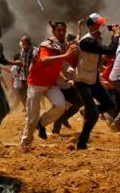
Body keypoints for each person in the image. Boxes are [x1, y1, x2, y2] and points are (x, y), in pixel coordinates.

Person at [21, 21, 78, 150]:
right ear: (53, 32)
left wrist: (69, 69)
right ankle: (25, 142)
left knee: (60, 106)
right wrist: (66, 55)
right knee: (31, 118)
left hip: (51, 83)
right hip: (36, 83)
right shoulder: (46, 45)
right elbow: (45, 60)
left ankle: (42, 123)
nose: (62, 32)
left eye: (64, 30)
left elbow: (63, 62)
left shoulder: (64, 46)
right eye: (59, 30)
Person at [73, 15, 120, 150]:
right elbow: (111, 50)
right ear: (90, 26)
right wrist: (116, 35)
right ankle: (82, 142)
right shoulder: (87, 42)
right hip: (82, 80)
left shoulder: (96, 39)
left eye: (102, 23)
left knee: (110, 105)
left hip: (92, 80)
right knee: (94, 114)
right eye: (98, 24)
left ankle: (86, 111)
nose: (102, 26)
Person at [11, 36, 33, 111]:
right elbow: (21, 62)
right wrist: (18, 69)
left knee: (31, 94)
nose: (21, 43)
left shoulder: (34, 50)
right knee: (21, 94)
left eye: (22, 41)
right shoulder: (22, 50)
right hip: (23, 77)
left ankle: (31, 108)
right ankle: (27, 108)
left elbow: (35, 62)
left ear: (27, 42)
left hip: (31, 77)